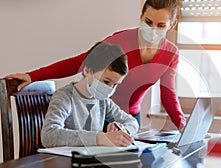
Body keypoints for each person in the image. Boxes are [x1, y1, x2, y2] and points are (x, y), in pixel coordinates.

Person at [6, 0, 186, 130]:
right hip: (100, 114)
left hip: (130, 119)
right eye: (148, 22)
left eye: (160, 25)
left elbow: (168, 95)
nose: (152, 29)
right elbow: (78, 62)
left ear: (172, 24)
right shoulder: (120, 41)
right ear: (141, 17)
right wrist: (33, 76)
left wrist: (183, 126)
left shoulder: (171, 54)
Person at [41, 42, 138, 147]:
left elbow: (132, 122)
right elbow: (48, 135)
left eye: (115, 84)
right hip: (65, 161)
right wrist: (100, 138)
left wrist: (123, 130)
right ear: (87, 70)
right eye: (106, 82)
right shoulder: (64, 97)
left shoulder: (103, 101)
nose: (110, 89)